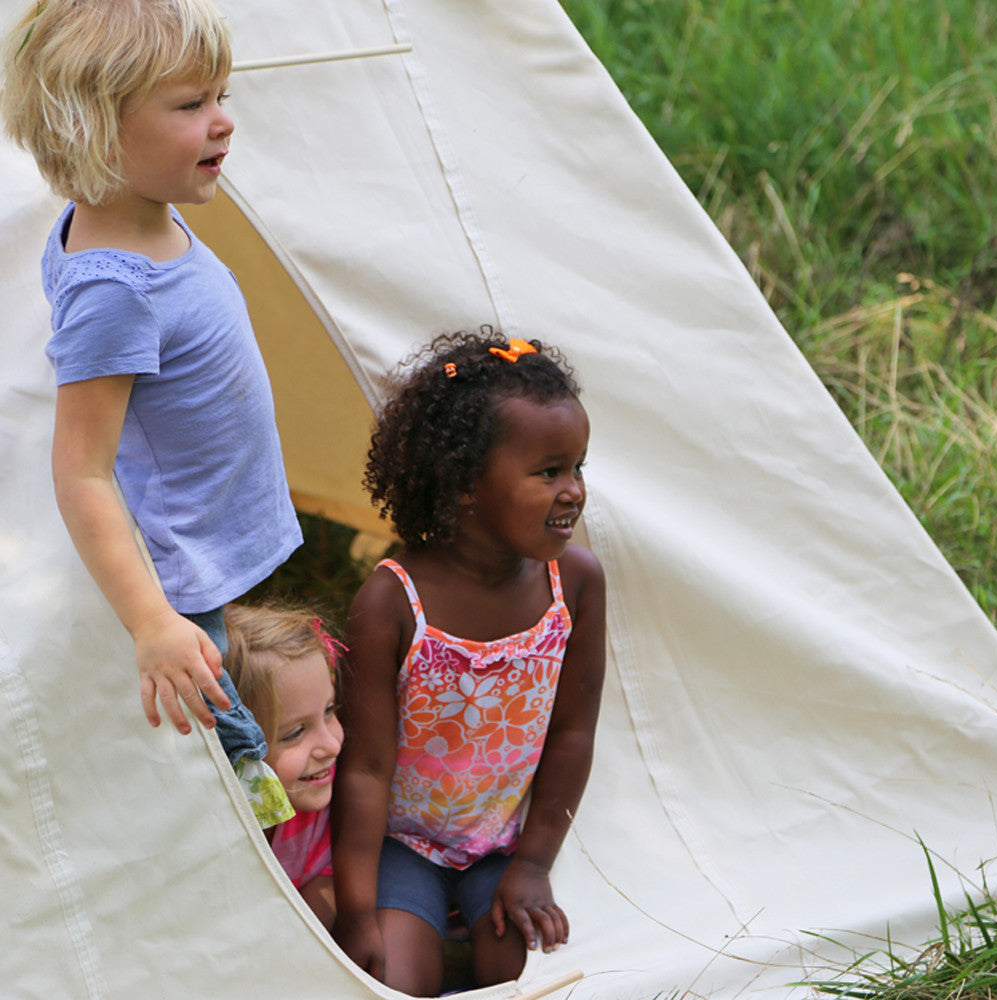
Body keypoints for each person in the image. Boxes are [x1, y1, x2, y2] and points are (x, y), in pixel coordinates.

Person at [0, 0, 302, 827]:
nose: (224, 123)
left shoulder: (146, 218)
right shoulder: (114, 288)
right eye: (190, 106)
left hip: (211, 540)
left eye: (221, 96)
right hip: (178, 577)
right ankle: (258, 845)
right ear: (98, 131)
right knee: (219, 769)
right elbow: (82, 468)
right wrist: (152, 623)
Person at [331, 329, 606, 994]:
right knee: (392, 982)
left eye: (578, 468)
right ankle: (420, 924)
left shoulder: (576, 585)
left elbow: (572, 734)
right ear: (462, 487)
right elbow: (365, 770)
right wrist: (357, 908)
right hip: (401, 845)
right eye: (549, 472)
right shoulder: (392, 601)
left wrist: (534, 864)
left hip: (505, 845)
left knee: (530, 979)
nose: (573, 491)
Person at [224, 603, 345, 930]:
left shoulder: (334, 799)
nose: (332, 745)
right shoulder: (222, 830)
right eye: (295, 733)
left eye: (330, 710)